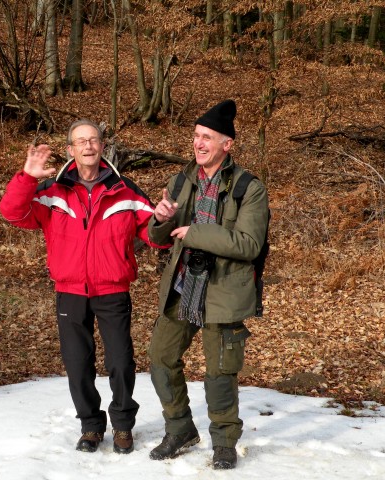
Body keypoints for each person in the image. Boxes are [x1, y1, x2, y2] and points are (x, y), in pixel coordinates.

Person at [0, 119, 166, 455]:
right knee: (78, 364)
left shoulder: (126, 190)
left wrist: (162, 219)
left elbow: (154, 235)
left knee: (120, 362)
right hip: (71, 291)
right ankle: (90, 426)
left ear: (103, 147)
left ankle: (122, 427)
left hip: (112, 289)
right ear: (70, 150)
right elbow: (12, 213)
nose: (88, 146)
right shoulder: (52, 192)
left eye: (94, 140)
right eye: (81, 141)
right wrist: (28, 177)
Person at [147, 100, 269, 470]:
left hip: (224, 290)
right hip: (184, 284)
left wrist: (195, 233)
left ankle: (224, 442)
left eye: (207, 137)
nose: (199, 144)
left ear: (226, 144)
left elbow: (249, 244)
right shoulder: (181, 180)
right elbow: (158, 236)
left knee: (219, 372)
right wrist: (161, 218)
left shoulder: (249, 187)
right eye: (196, 136)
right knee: (160, 358)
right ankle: (181, 429)